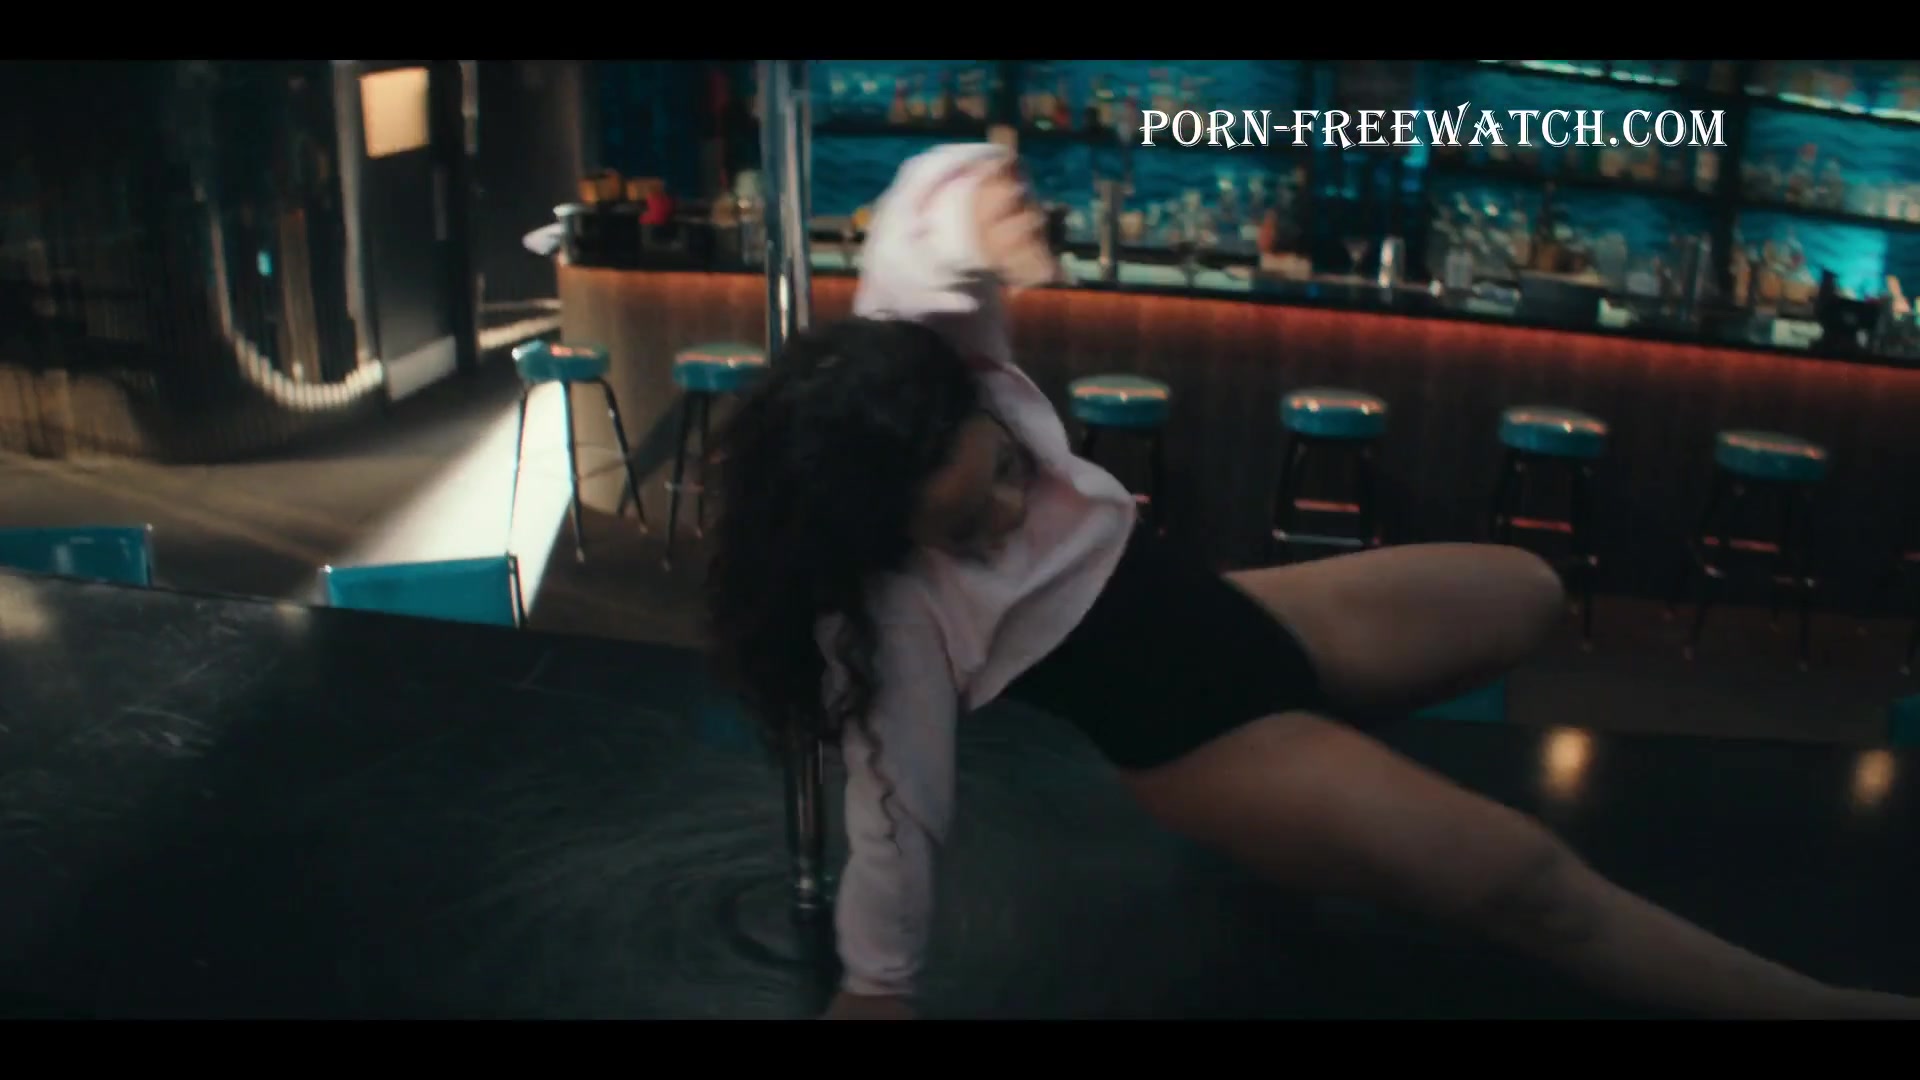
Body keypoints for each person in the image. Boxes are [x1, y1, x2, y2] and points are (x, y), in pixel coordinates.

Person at [704, 143, 1920, 1021]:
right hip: (1198, 737)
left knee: (1528, 593)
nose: (1012, 511)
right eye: (973, 529)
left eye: (1004, 475)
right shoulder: (891, 614)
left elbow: (924, 224)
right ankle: (1814, 1007)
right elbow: (897, 812)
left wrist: (976, 214)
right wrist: (879, 984)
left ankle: (1331, 805)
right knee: (1524, 880)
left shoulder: (927, 369)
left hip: (1238, 612)